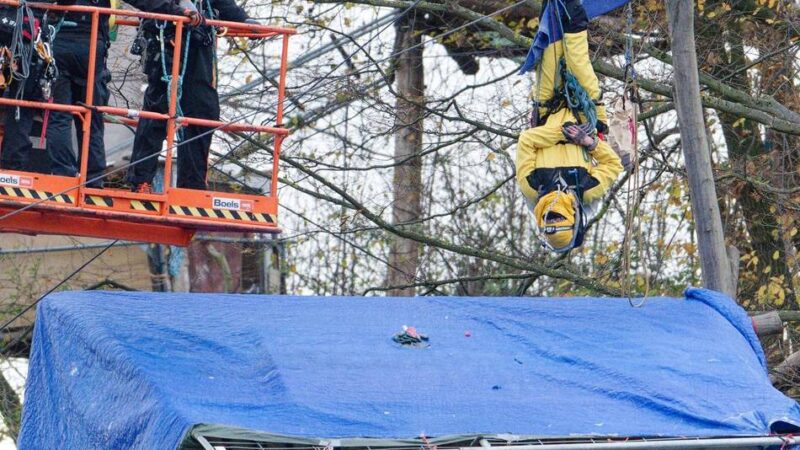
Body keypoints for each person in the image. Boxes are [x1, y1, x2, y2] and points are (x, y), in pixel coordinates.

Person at [44, 0, 203, 188]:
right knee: (92, 116)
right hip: (91, 48)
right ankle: (93, 179)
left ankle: (63, 174)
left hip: (60, 44)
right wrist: (177, 10)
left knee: (60, 115)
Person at [516, 0, 623, 253]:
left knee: (551, 50)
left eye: (549, 219)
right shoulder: (587, 191)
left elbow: (526, 142)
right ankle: (572, 7)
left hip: (547, 109)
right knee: (576, 55)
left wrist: (560, 133)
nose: (553, 214)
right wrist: (590, 144)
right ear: (572, 220)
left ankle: (554, 5)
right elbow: (613, 165)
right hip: (586, 114)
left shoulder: (532, 187)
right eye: (558, 219)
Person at [126, 0, 257, 193]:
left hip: (197, 40)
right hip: (164, 37)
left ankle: (191, 187)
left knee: (202, 112)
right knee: (159, 109)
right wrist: (174, 9)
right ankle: (141, 180)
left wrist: (245, 20)